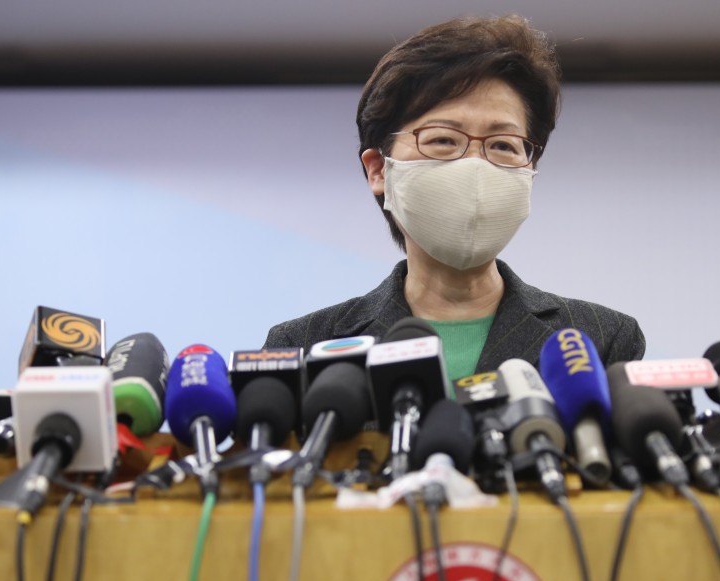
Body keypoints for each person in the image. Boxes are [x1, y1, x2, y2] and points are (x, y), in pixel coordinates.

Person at [265, 15, 645, 378]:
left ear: (530, 170)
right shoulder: (304, 346)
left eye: (503, 145)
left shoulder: (600, 341)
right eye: (443, 140)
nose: (474, 166)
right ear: (379, 169)